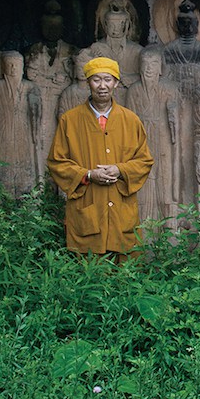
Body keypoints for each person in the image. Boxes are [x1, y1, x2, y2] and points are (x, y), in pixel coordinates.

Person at [46, 57, 154, 258]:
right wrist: (88, 174)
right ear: (88, 82)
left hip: (121, 209)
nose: (102, 86)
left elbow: (144, 161)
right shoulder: (70, 120)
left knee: (125, 273)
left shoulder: (131, 120)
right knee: (90, 273)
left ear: (116, 82)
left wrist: (120, 170)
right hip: (88, 208)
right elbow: (56, 162)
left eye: (108, 79)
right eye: (96, 80)